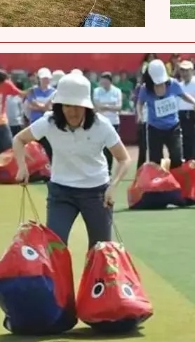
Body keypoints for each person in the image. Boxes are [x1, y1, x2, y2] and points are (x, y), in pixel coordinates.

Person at [13, 74, 132, 249]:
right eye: (67, 106)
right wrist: (22, 167)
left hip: (97, 192)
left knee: (100, 250)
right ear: (59, 106)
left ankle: (97, 279)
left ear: (87, 106)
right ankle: (57, 278)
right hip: (61, 192)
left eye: (78, 106)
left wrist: (113, 186)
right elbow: (19, 139)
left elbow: (124, 159)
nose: (73, 112)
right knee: (55, 247)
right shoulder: (49, 123)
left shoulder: (102, 125)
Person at [137, 59, 195, 169]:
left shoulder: (173, 84)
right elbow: (140, 103)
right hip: (154, 128)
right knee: (155, 160)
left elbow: (183, 95)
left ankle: (174, 180)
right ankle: (158, 183)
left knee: (177, 157)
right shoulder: (145, 89)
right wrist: (139, 115)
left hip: (173, 127)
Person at [92, 72, 123, 175]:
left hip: (113, 122)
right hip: (100, 122)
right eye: (102, 81)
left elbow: (118, 107)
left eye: (106, 81)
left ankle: (108, 170)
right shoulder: (97, 91)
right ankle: (99, 169)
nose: (103, 83)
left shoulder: (117, 91)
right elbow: (97, 106)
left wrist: (105, 106)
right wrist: (110, 106)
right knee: (99, 146)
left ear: (110, 81)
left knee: (110, 147)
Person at [177, 60, 195, 163]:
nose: (184, 73)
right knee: (184, 143)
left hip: (194, 114)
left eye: (187, 71)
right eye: (182, 71)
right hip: (181, 114)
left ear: (192, 71)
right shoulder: (179, 85)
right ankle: (186, 167)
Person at [26, 68, 56, 161]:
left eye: (47, 78)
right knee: (35, 148)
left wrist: (39, 107)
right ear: (39, 79)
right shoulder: (32, 91)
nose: (45, 80)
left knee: (49, 148)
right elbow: (31, 105)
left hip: (49, 124)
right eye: (43, 78)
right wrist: (45, 107)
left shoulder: (54, 92)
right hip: (35, 122)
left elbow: (52, 107)